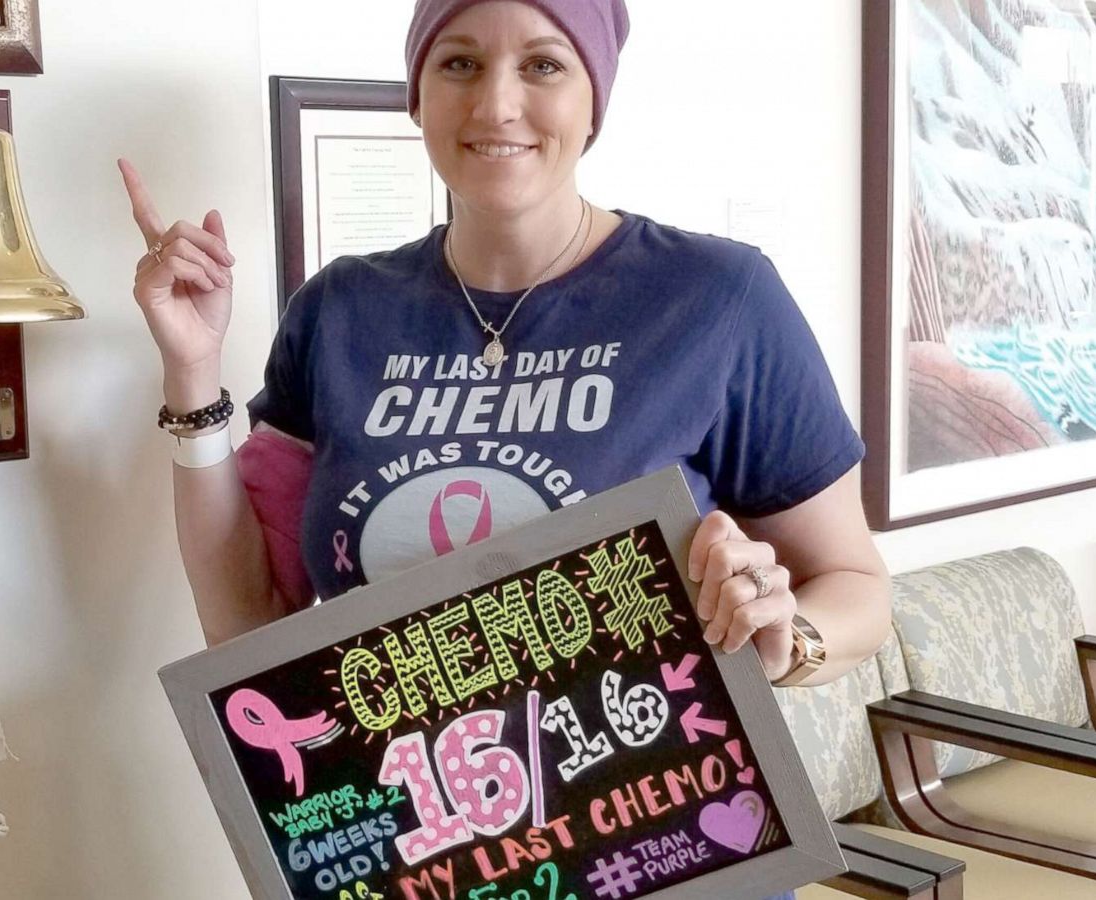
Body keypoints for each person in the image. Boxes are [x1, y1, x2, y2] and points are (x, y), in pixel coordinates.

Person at [122, 4, 889, 891]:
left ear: (595, 97)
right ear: (416, 94)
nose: (495, 105)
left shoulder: (719, 298)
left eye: (543, 65)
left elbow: (860, 589)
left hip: (662, 844)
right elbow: (247, 625)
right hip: (422, 855)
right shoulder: (339, 312)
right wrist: (191, 373)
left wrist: (784, 634)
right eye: (457, 64)